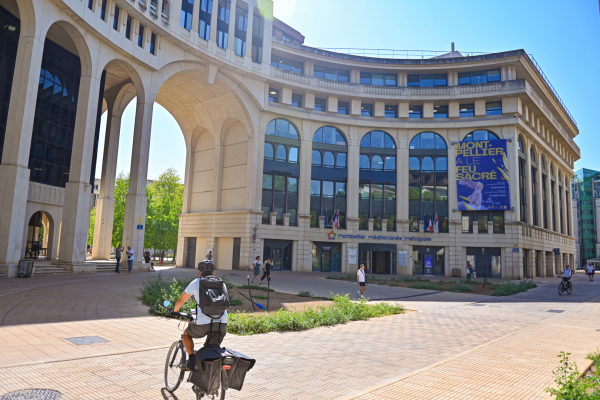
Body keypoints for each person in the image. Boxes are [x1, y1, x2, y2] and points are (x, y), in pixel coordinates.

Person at [173, 260, 228, 370]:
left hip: (203, 324)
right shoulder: (221, 284)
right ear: (213, 273)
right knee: (211, 350)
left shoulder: (196, 282)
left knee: (186, 335)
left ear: (199, 273)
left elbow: (181, 300)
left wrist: (175, 311)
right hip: (222, 324)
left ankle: (192, 360)